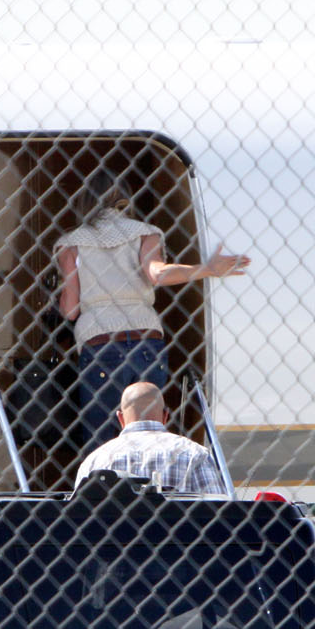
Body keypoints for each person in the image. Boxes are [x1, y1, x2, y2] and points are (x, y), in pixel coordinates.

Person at [53, 169, 250, 455]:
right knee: (149, 431)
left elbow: (70, 310)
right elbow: (157, 273)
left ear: (84, 201)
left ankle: (103, 479)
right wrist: (206, 269)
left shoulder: (71, 244)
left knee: (101, 438)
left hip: (100, 341)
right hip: (146, 340)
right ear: (124, 198)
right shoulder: (145, 232)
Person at [74, 381, 228, 495]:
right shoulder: (195, 454)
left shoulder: (94, 461)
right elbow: (218, 512)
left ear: (120, 418)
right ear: (165, 416)